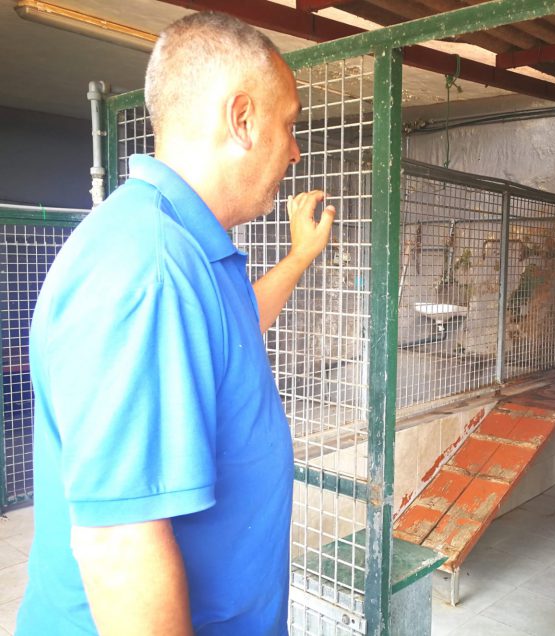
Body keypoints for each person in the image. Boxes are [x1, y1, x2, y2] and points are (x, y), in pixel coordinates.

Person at [16, 12, 335, 636]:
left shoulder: (181, 246)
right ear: (242, 119)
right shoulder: (152, 271)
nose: (295, 149)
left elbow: (233, 330)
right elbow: (121, 547)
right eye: (288, 125)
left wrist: (298, 256)